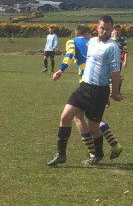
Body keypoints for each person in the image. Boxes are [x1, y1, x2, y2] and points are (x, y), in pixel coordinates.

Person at [48, 15, 122, 167]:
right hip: (83, 87)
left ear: (112, 30)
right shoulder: (92, 42)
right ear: (97, 28)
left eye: (108, 29)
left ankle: (98, 154)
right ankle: (61, 154)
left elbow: (115, 73)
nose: (105, 31)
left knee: (94, 127)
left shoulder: (112, 47)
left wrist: (113, 93)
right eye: (102, 28)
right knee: (65, 117)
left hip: (98, 91)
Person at [111, 24, 128, 92]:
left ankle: (117, 91)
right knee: (109, 77)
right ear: (113, 30)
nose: (116, 31)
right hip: (110, 61)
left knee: (117, 76)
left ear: (120, 31)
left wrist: (125, 61)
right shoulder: (110, 40)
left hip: (118, 62)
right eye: (115, 30)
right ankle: (109, 90)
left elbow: (125, 51)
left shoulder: (123, 40)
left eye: (118, 30)